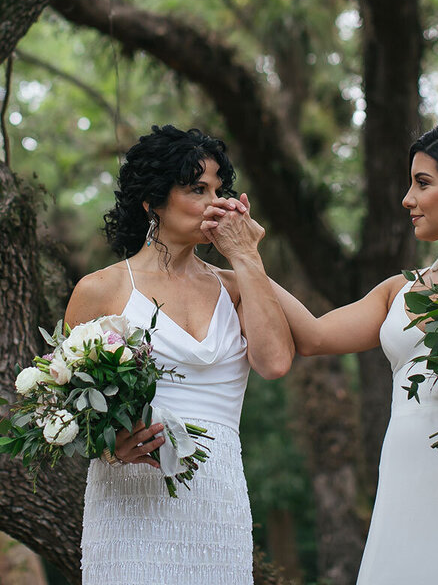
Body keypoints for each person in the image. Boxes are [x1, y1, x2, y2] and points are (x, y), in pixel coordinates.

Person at [206, 118, 438, 584]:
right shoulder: (401, 289)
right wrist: (247, 258)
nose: (407, 200)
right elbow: (314, 337)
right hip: (407, 482)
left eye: (423, 184)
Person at [66, 125, 293, 584]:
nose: (215, 202)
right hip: (129, 501)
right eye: (196, 189)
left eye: (219, 189)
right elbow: (66, 412)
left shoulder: (237, 286)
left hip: (217, 500)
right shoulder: (101, 289)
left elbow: (274, 363)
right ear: (152, 200)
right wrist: (109, 449)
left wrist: (246, 257)